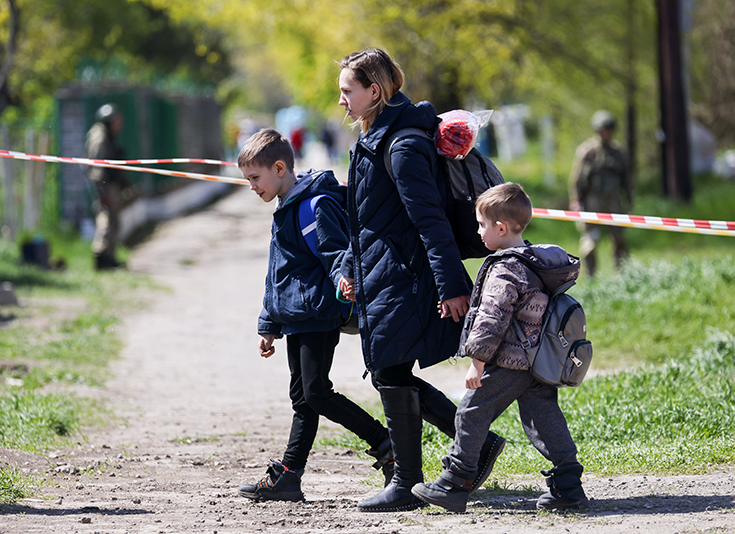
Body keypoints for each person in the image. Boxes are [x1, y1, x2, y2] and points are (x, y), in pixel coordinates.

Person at [336, 48, 506, 513]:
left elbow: (430, 221)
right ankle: (474, 448)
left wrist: (453, 287)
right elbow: (367, 219)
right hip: (383, 271)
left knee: (390, 368)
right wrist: (351, 267)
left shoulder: (403, 144)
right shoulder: (378, 136)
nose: (342, 102)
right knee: (391, 370)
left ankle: (408, 481)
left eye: (347, 92)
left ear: (374, 91)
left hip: (407, 275)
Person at [235, 128, 392, 502]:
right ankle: (289, 476)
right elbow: (279, 274)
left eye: (255, 178)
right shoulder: (284, 207)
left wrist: (343, 277)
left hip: (319, 313)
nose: (252, 187)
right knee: (303, 398)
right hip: (296, 317)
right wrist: (268, 324)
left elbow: (336, 251)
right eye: (247, 180)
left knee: (317, 393)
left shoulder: (313, 204)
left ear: (279, 167)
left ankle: (386, 444)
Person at [411, 183, 589, 513]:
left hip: (511, 359)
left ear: (501, 228)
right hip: (537, 358)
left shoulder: (505, 267)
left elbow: (492, 318)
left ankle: (456, 481)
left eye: (481, 225)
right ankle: (568, 486)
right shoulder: (534, 261)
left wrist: (477, 362)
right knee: (544, 417)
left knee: (471, 411)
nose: (478, 232)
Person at [569, 110, 632, 277]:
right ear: (597, 130)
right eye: (604, 129)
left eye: (610, 129)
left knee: (619, 239)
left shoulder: (619, 152)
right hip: (592, 201)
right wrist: (576, 201)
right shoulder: (587, 151)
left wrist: (629, 200)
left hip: (613, 201)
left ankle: (621, 273)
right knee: (590, 240)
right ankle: (591, 275)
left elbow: (627, 179)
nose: (608, 132)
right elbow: (576, 179)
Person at [85, 103, 129, 270]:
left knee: (114, 223)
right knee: (105, 221)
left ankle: (110, 257)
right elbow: (97, 167)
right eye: (116, 120)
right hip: (104, 186)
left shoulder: (109, 136)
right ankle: (101, 257)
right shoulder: (100, 136)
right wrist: (102, 192)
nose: (119, 124)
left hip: (111, 185)